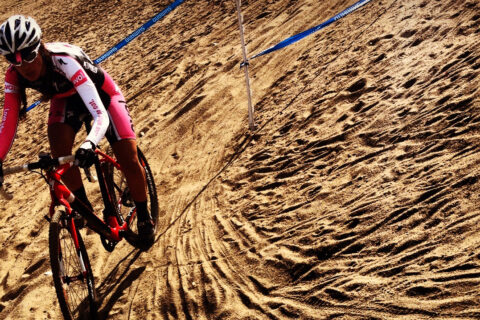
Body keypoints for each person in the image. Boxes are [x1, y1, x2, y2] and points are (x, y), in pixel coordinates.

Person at [0, 15, 155, 243]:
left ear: (40, 47)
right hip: (65, 99)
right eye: (13, 59)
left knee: (128, 159)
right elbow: (9, 120)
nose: (24, 65)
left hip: (102, 96)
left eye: (30, 55)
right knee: (60, 154)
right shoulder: (13, 75)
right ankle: (83, 207)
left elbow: (100, 113)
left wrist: (89, 143)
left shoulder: (63, 61)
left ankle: (144, 215)